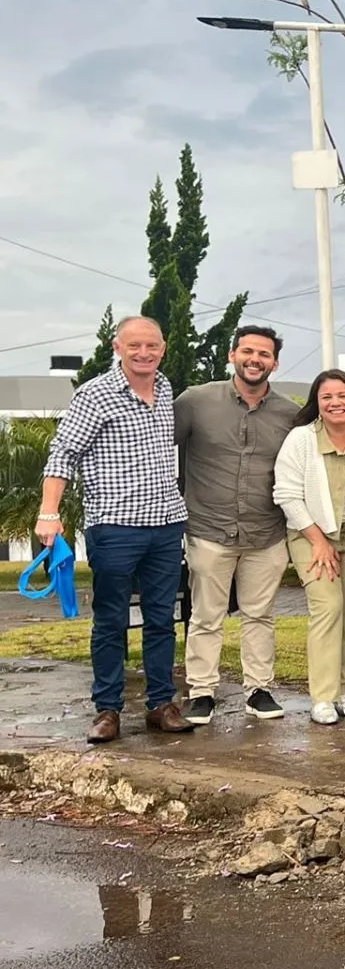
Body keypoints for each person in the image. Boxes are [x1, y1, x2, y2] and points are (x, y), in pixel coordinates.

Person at [38, 316, 195, 743]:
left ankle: (161, 703)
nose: (144, 353)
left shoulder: (166, 390)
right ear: (117, 347)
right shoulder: (95, 394)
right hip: (115, 527)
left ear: (163, 347)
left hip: (166, 525)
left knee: (162, 618)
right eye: (135, 346)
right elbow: (63, 453)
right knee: (110, 620)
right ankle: (107, 709)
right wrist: (49, 512)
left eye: (152, 346)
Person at [174, 325, 301, 724]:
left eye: (264, 354)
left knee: (260, 614)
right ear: (232, 355)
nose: (255, 360)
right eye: (247, 351)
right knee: (205, 615)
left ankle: (259, 689)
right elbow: (162, 450)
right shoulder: (195, 401)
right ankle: (201, 691)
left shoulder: (290, 414)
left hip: (266, 532)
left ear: (275, 363)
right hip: (208, 528)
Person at [273, 370, 345, 724]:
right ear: (317, 404)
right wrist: (319, 542)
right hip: (310, 536)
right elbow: (286, 494)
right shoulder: (301, 439)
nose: (335, 403)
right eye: (327, 397)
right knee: (328, 606)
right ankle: (322, 697)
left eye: (343, 396)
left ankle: (343, 691)